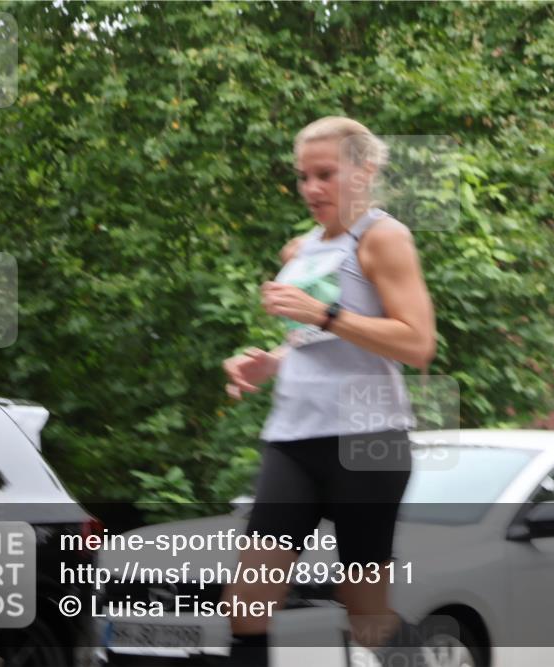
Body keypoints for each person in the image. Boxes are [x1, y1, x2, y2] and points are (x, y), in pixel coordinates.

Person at [219, 116, 437, 666]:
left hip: (369, 439)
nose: (312, 189)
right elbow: (312, 341)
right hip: (294, 437)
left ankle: (432, 658)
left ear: (364, 173)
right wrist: (266, 362)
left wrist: (326, 311)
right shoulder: (301, 250)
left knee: (364, 615)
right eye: (303, 177)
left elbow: (417, 343)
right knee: (245, 601)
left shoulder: (384, 238)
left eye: (326, 175)